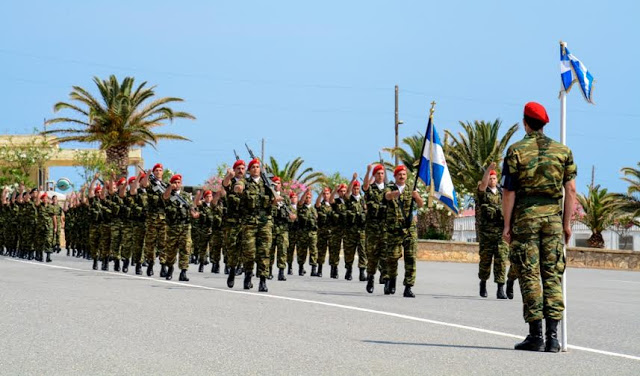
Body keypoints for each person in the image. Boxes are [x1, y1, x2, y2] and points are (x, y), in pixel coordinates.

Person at [502, 101, 577, 353]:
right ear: (545, 124)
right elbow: (571, 190)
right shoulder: (562, 151)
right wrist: (566, 224)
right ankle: (554, 338)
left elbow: (509, 192)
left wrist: (506, 225)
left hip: (526, 219)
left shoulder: (515, 151)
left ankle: (536, 335)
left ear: (525, 122)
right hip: (553, 220)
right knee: (552, 274)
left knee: (529, 273)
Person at [236, 158, 278, 292]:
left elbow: (273, 202)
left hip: (265, 223)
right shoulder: (245, 182)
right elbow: (238, 186)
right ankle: (248, 274)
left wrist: (276, 196)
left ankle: (263, 280)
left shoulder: (267, 184)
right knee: (249, 252)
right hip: (249, 223)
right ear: (249, 170)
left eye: (257, 167)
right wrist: (239, 187)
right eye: (252, 167)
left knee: (265, 252)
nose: (255, 169)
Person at [383, 165, 424, 298]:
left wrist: (416, 196)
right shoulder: (390, 187)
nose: (402, 176)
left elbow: (421, 204)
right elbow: (387, 196)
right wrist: (396, 194)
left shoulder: (412, 188)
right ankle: (391, 280)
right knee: (392, 257)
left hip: (409, 229)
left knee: (411, 258)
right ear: (395, 176)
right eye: (399, 174)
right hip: (394, 229)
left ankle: (408, 287)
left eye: (404, 174)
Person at [476, 165, 508, 299]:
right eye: (490, 178)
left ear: (497, 179)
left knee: (501, 260)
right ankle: (483, 283)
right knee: (485, 261)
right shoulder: (483, 193)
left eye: (494, 178)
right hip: (486, 234)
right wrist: (488, 170)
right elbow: (483, 184)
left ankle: (500, 288)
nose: (492, 180)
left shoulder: (503, 193)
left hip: (500, 233)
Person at [162, 174, 198, 281]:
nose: (177, 184)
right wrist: (170, 187)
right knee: (171, 250)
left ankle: (183, 272)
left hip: (185, 226)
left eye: (179, 182)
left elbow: (191, 208)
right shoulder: (168, 193)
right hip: (172, 226)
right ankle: (170, 268)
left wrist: (194, 214)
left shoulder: (186, 196)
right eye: (175, 182)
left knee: (186, 249)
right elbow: (165, 197)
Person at [363, 164, 388, 293]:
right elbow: (365, 186)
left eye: (382, 173)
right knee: (372, 255)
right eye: (378, 173)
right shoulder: (371, 189)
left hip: (384, 228)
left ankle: (385, 278)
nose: (380, 175)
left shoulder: (388, 190)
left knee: (385, 255)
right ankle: (371, 277)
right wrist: (368, 172)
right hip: (372, 228)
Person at [141, 163, 168, 277]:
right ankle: (151, 264)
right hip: (152, 218)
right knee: (150, 243)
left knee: (163, 243)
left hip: (163, 218)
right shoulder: (150, 184)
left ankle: (163, 266)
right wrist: (147, 175)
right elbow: (143, 184)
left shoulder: (166, 185)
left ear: (162, 172)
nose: (158, 172)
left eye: (160, 170)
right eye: (156, 170)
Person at [223, 159, 246, 287]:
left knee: (246, 247)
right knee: (232, 247)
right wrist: (229, 176)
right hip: (232, 221)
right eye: (238, 168)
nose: (241, 171)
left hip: (246, 220)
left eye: (243, 168)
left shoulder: (249, 183)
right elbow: (225, 184)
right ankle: (232, 270)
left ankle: (244, 270)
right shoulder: (230, 181)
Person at [343, 174, 367, 281]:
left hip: (361, 230)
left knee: (362, 251)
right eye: (354, 188)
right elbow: (347, 192)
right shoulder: (349, 200)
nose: (356, 190)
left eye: (357, 188)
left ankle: (362, 272)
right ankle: (349, 270)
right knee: (349, 251)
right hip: (350, 231)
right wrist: (352, 180)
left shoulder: (363, 200)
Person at [296, 189, 318, 276]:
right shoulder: (301, 207)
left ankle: (313, 269)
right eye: (306, 197)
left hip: (312, 233)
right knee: (302, 251)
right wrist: (305, 192)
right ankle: (301, 267)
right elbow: (300, 202)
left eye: (309, 198)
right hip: (303, 233)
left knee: (313, 250)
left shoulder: (313, 209)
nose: (307, 199)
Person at [328, 183, 348, 279]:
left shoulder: (349, 201)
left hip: (347, 229)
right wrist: (335, 190)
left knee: (348, 250)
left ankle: (349, 270)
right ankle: (334, 268)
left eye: (344, 191)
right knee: (335, 249)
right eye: (341, 191)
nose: (343, 193)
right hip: (336, 229)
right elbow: (330, 200)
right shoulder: (336, 201)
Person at [314, 187, 332, 277]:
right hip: (322, 231)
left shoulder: (334, 205)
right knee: (321, 251)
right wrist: (321, 193)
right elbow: (317, 204)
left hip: (332, 232)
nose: (326, 195)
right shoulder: (321, 205)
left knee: (333, 251)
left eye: (327, 193)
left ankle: (334, 270)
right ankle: (320, 269)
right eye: (324, 194)